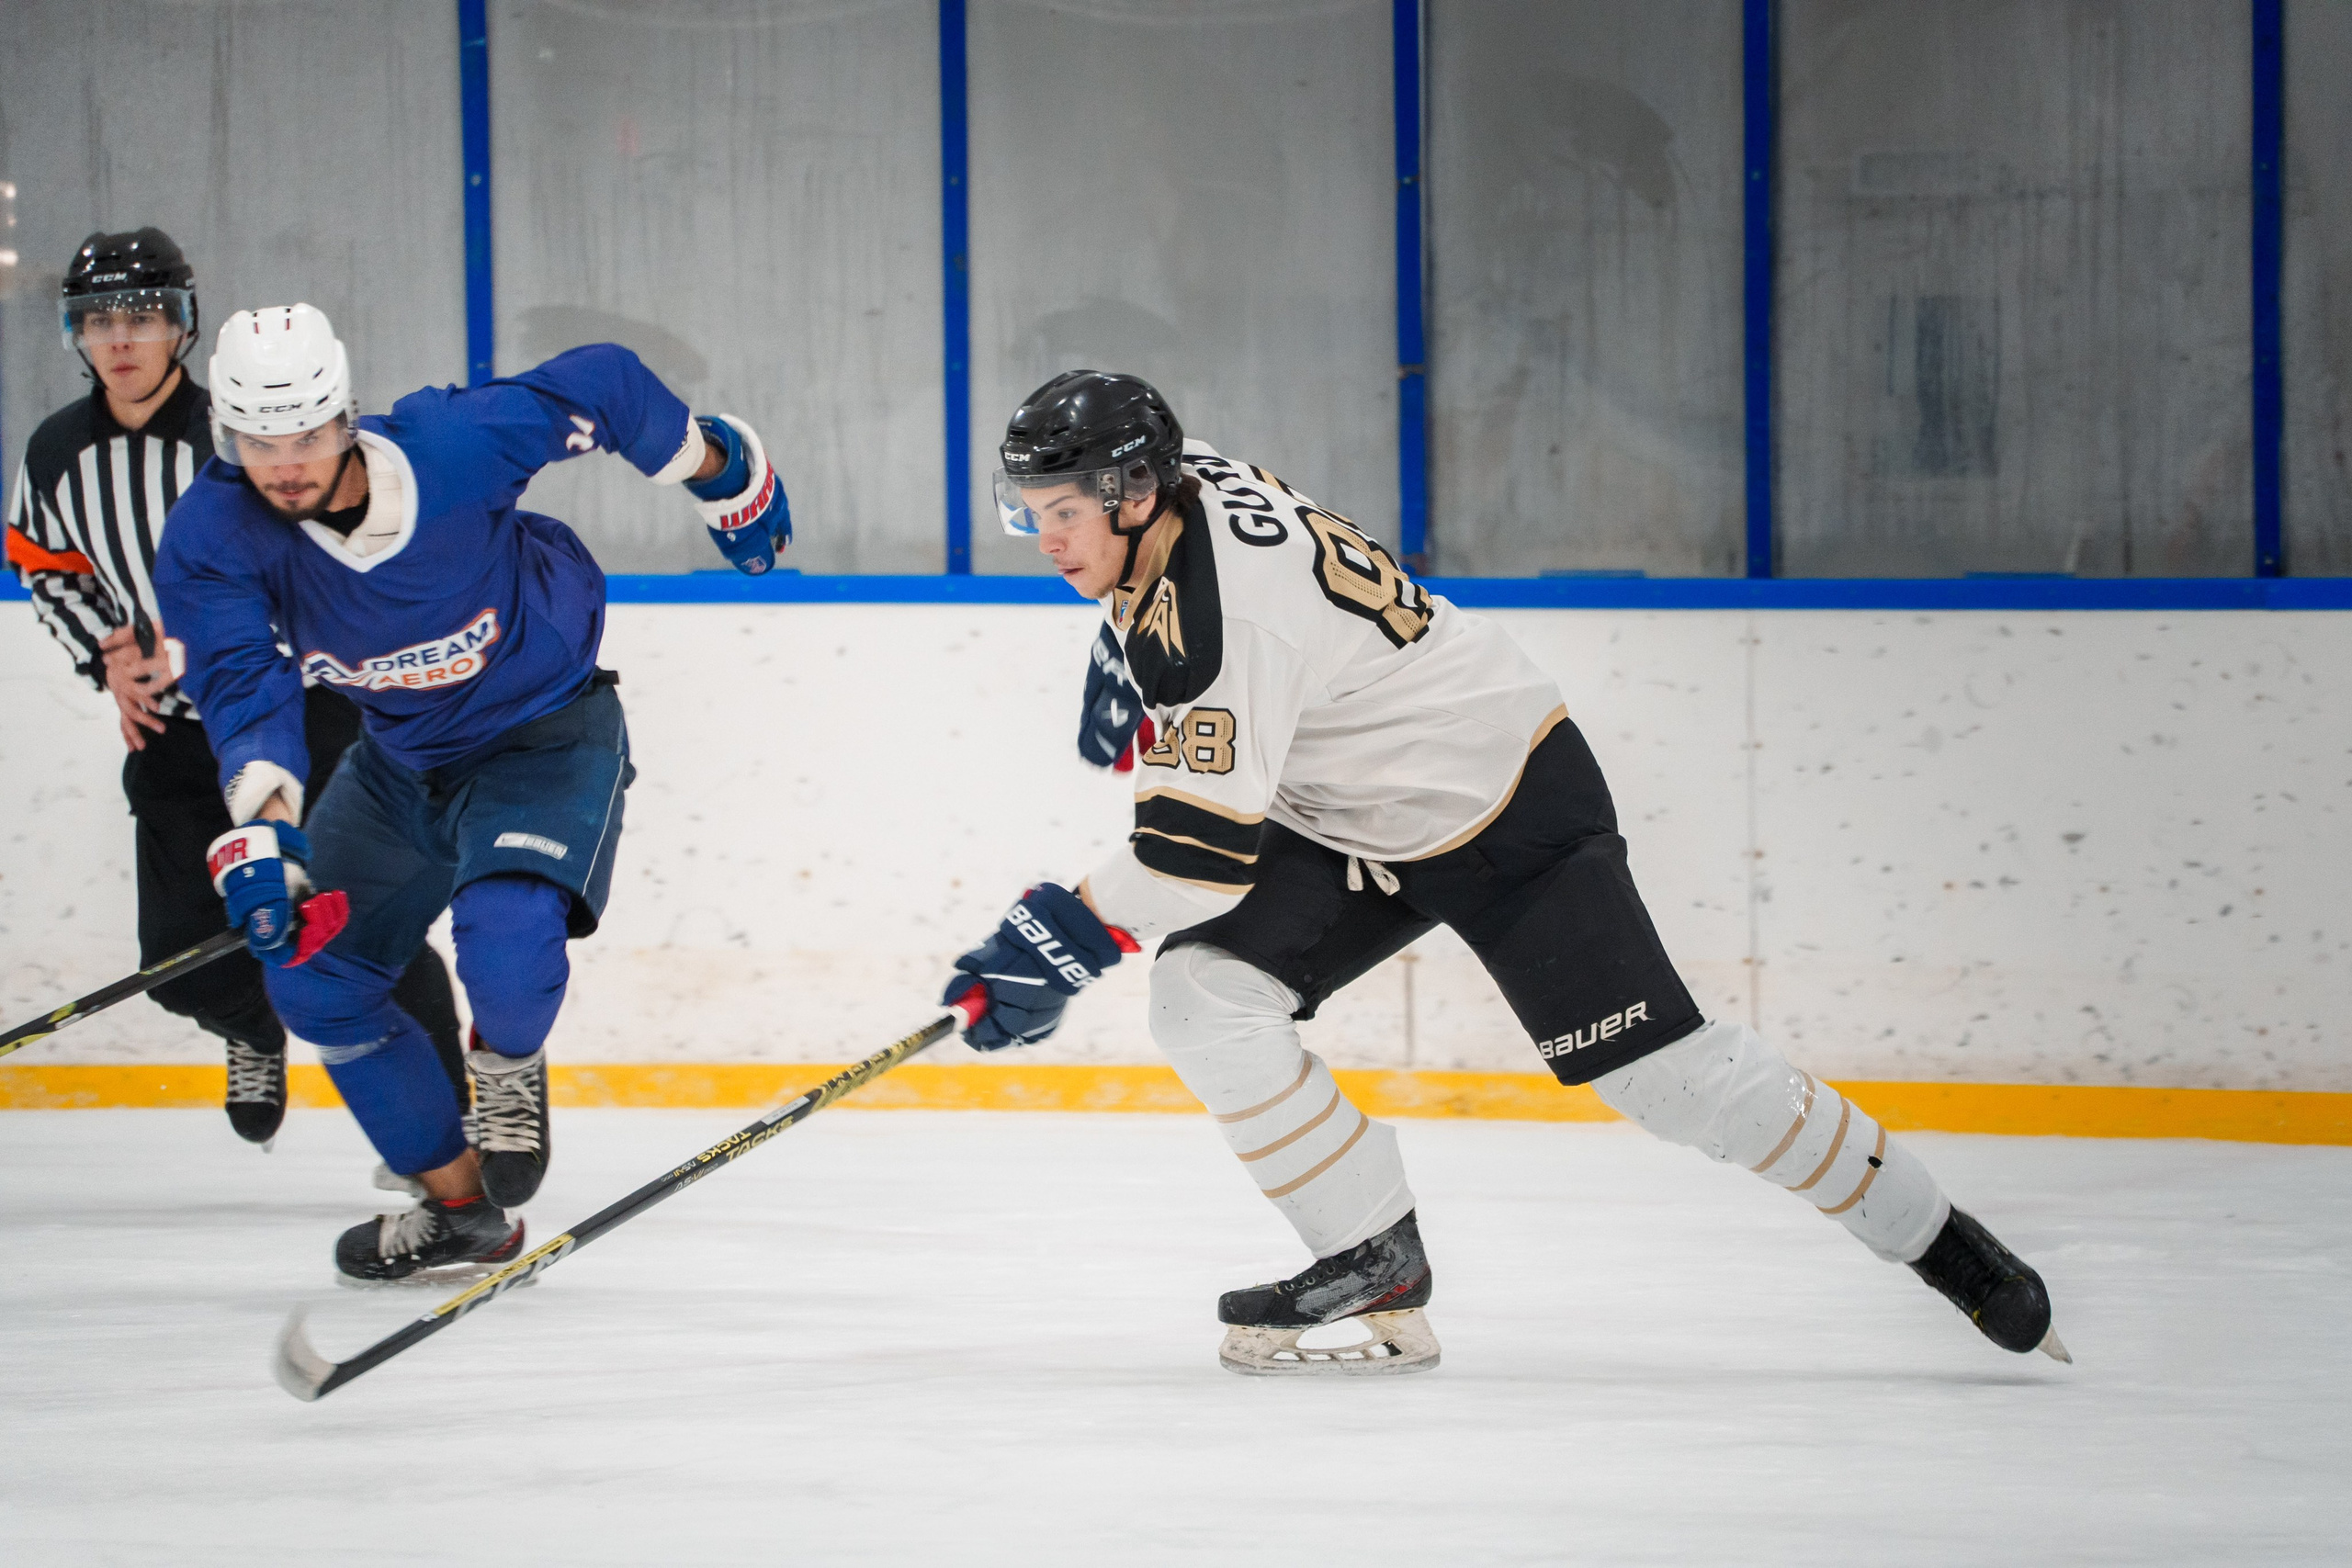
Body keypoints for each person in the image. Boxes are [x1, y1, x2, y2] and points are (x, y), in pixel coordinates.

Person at [941, 370, 2069, 1376]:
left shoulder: (1220, 632)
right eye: (1028, 512)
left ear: (1139, 492)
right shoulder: (1188, 495)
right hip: (1355, 815)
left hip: (1508, 801)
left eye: (1063, 514)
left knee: (1667, 1083)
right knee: (1203, 997)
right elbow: (1226, 617)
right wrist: (1121, 636)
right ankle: (1369, 1254)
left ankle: (1945, 1245)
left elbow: (1191, 863)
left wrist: (1050, 940)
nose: (1044, 537)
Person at [155, 302, 789, 1284]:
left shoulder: (451, 447)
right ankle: (458, 1212)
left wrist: (723, 475)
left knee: (505, 941)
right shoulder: (214, 532)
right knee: (312, 980)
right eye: (256, 441)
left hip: (544, 731)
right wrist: (267, 836)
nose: (285, 462)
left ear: (347, 417)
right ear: (226, 436)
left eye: (309, 436)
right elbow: (242, 682)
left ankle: (505, 1071)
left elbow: (608, 380)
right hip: (401, 759)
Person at [6, 230, 464, 1153]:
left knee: (363, 924)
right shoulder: (57, 452)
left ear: (179, 327)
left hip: (300, 716)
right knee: (178, 966)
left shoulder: (248, 437)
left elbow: (324, 564)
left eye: (140, 315)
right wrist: (107, 657)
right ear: (76, 335)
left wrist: (213, 639)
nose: (121, 338)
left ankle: (455, 1110)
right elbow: (42, 565)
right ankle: (252, 1025)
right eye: (99, 320)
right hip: (174, 734)